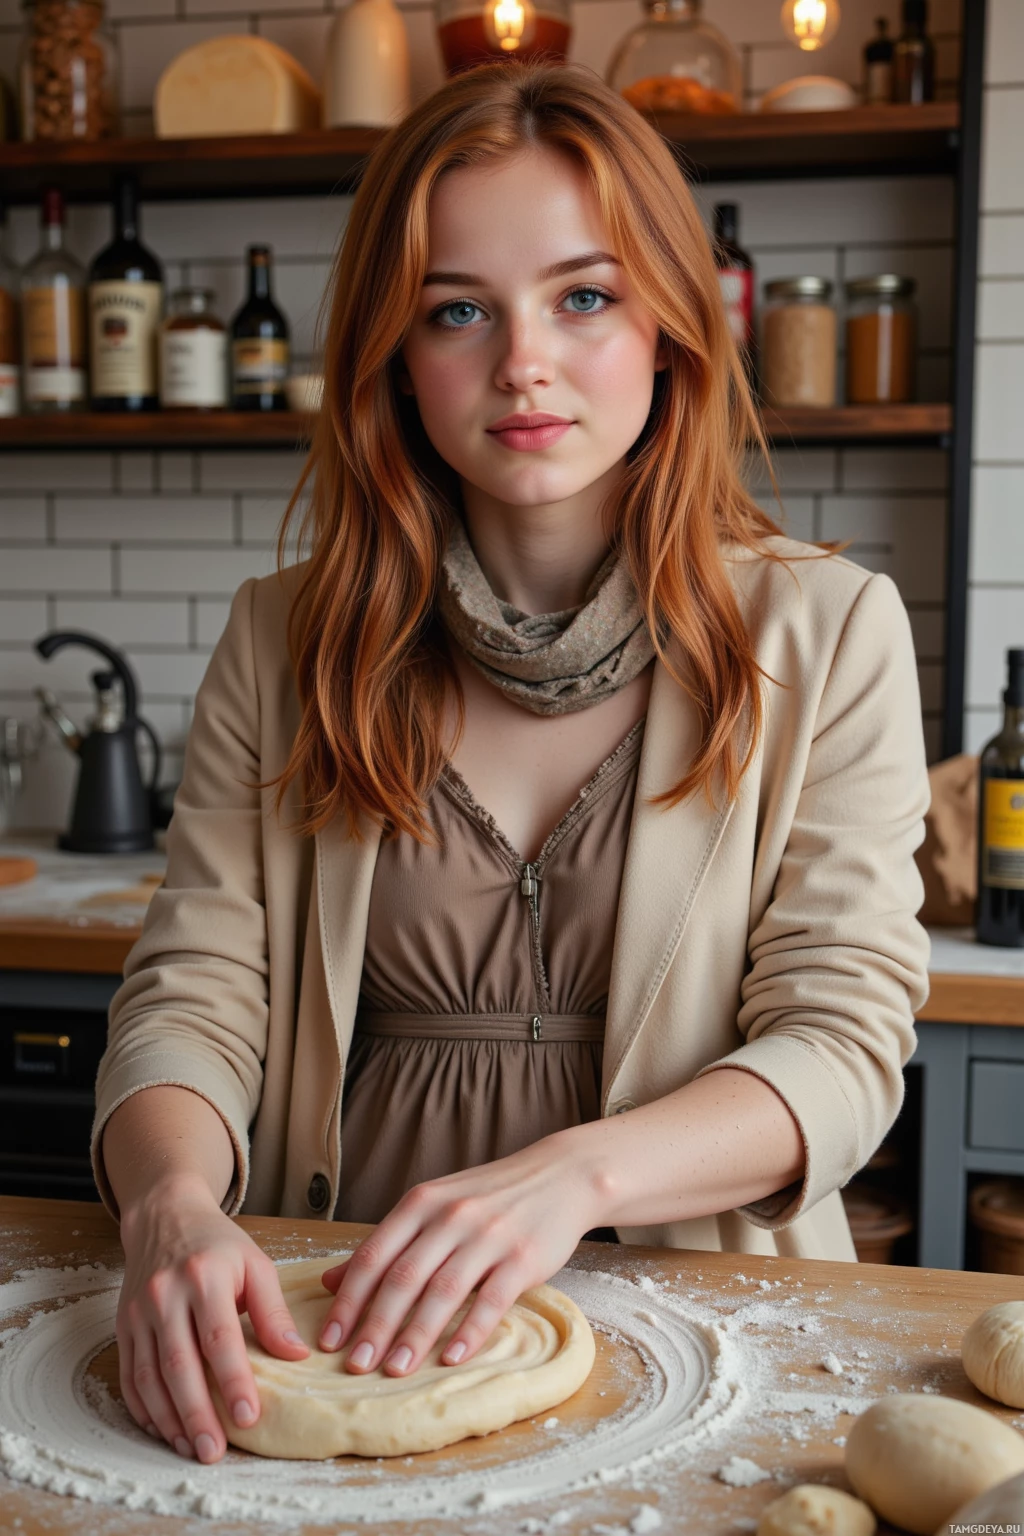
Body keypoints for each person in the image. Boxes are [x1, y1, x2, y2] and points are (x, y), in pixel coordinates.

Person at [91, 60, 931, 1469]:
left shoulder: (829, 630)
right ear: (393, 353)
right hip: (345, 1314)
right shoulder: (284, 638)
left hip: (694, 1331)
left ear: (669, 324)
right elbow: (197, 992)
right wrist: (166, 1203)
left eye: (584, 297)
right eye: (458, 310)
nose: (522, 361)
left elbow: (842, 1046)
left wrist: (575, 1175)